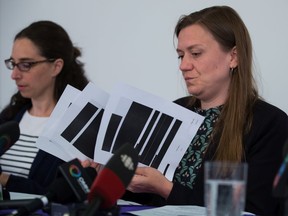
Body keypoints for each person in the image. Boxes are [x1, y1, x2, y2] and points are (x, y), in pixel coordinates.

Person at [123, 5, 288, 216]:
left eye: (196, 53)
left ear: (233, 57)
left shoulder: (270, 123)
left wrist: (165, 188)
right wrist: (115, 176)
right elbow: (144, 199)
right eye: (181, 55)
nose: (184, 65)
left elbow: (254, 209)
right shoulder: (175, 110)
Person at [0, 20, 89, 195]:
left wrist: (3, 179)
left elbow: (63, 194)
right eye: (13, 63)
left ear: (56, 67)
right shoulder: (8, 118)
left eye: (25, 65)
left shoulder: (79, 129)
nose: (14, 75)